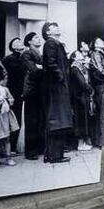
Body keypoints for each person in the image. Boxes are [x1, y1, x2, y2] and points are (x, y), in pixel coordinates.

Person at [42, 22, 74, 163]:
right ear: (48, 32)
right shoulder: (51, 43)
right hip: (57, 88)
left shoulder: (55, 44)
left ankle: (54, 154)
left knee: (58, 121)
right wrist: (61, 78)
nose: (57, 27)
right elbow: (51, 63)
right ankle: (54, 155)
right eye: (53, 27)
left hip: (58, 87)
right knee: (57, 121)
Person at [21, 32, 45, 160]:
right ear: (29, 42)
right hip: (31, 91)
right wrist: (40, 67)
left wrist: (41, 67)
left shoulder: (40, 55)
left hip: (40, 90)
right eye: (35, 38)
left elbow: (41, 68)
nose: (38, 39)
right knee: (32, 121)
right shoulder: (27, 54)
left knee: (40, 120)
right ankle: (30, 151)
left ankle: (40, 148)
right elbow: (34, 70)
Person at [2, 37, 26, 153]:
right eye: (16, 42)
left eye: (20, 41)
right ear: (12, 47)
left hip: (24, 91)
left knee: (20, 118)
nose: (20, 43)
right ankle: (10, 147)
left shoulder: (25, 56)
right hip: (14, 91)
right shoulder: (9, 59)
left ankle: (16, 146)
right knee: (14, 118)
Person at [70, 50, 93, 151]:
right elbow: (82, 83)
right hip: (79, 97)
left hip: (82, 97)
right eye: (78, 53)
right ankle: (80, 143)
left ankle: (83, 142)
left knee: (84, 120)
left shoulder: (81, 67)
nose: (81, 54)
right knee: (81, 120)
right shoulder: (75, 68)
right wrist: (90, 89)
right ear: (75, 57)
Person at [89, 37, 104, 148]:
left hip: (100, 86)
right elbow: (100, 71)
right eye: (100, 41)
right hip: (101, 86)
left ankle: (98, 140)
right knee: (101, 115)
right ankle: (99, 141)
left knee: (100, 114)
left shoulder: (99, 54)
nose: (103, 42)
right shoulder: (96, 54)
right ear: (96, 44)